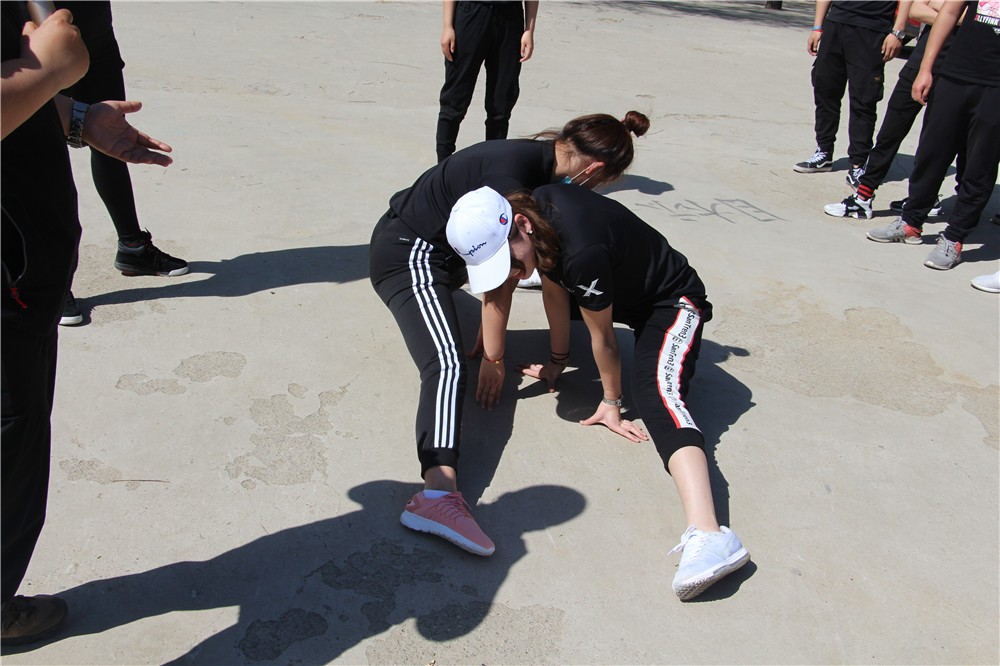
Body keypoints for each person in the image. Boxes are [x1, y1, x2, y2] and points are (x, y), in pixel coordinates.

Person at [370, 111, 649, 556]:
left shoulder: (538, 163)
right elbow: (500, 284)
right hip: (409, 254)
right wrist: (493, 358)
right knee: (447, 364)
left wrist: (550, 354)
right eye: (602, 183)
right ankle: (437, 495)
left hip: (445, 252)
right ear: (595, 170)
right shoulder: (512, 179)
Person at [485, 184, 749, 601]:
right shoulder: (538, 217)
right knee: (564, 285)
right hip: (622, 291)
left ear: (521, 224)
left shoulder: (580, 252)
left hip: (672, 302)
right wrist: (557, 360)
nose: (511, 274)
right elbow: (553, 289)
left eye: (509, 261)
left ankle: (711, 534)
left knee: (657, 395)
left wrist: (611, 402)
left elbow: (604, 338)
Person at [2, 3, 172, 646]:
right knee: (11, 443)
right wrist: (48, 71)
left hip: (25, 267)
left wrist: (74, 115)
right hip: (10, 279)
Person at [54, 1, 187, 326]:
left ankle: (133, 248)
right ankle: (50, 283)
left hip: (93, 26)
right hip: (38, 34)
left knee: (112, 134)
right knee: (44, 152)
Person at [865, 0, 999, 271]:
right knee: (931, 152)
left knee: (979, 165)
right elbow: (948, 12)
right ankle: (911, 222)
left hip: (995, 88)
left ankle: (954, 237)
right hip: (953, 74)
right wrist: (926, 69)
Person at [824, 0, 962, 220]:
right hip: (921, 62)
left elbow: (982, 21)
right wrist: (953, 18)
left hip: (959, 70)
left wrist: (943, 11)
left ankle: (925, 198)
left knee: (936, 141)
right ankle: (863, 197)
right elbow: (916, 9)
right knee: (890, 131)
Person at [795, 0, 911, 182]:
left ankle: (858, 163)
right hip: (836, 23)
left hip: (872, 29)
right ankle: (824, 151)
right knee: (825, 91)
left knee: (864, 99)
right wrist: (818, 26)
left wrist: (897, 32)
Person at [435, 0, 539, 163]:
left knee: (501, 102)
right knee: (455, 99)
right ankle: (442, 163)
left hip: (510, 18)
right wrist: (448, 26)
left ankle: (492, 164)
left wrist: (529, 30)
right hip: (472, 13)